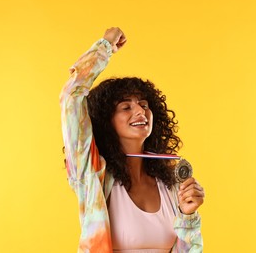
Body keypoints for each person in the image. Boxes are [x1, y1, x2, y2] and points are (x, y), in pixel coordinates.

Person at [60, 27, 205, 252]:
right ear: (106, 121)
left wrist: (189, 216)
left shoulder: (170, 185)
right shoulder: (92, 175)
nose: (140, 110)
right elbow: (71, 97)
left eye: (144, 105)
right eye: (126, 107)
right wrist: (104, 48)